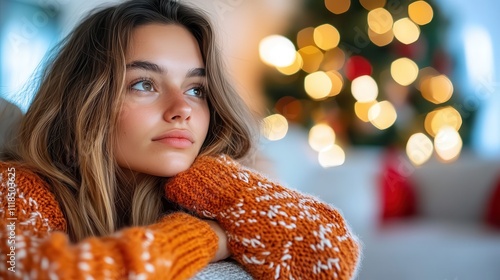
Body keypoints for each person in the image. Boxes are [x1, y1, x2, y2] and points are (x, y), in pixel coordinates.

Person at [0, 0, 361, 279]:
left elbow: (331, 256)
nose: (182, 109)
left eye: (195, 89)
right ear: (82, 101)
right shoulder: (16, 186)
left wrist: (214, 182)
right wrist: (203, 237)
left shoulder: (206, 184)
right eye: (144, 84)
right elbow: (48, 272)